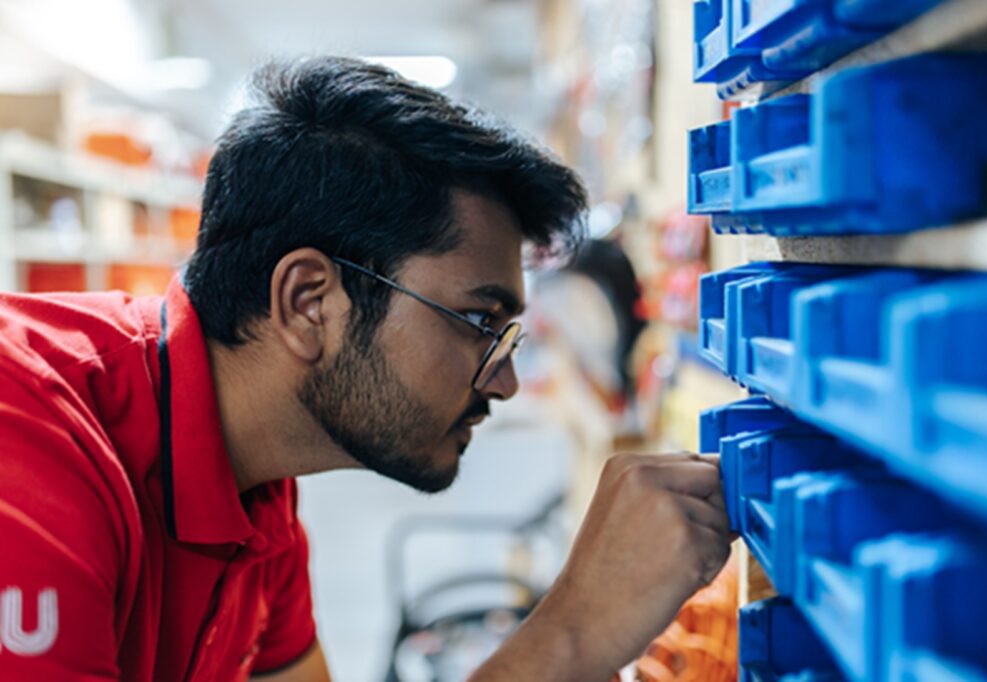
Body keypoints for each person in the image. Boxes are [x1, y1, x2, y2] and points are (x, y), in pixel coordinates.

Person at [0, 57, 731, 681]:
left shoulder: (257, 504)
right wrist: (572, 633)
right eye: (480, 323)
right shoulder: (26, 440)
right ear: (310, 301)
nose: (504, 381)